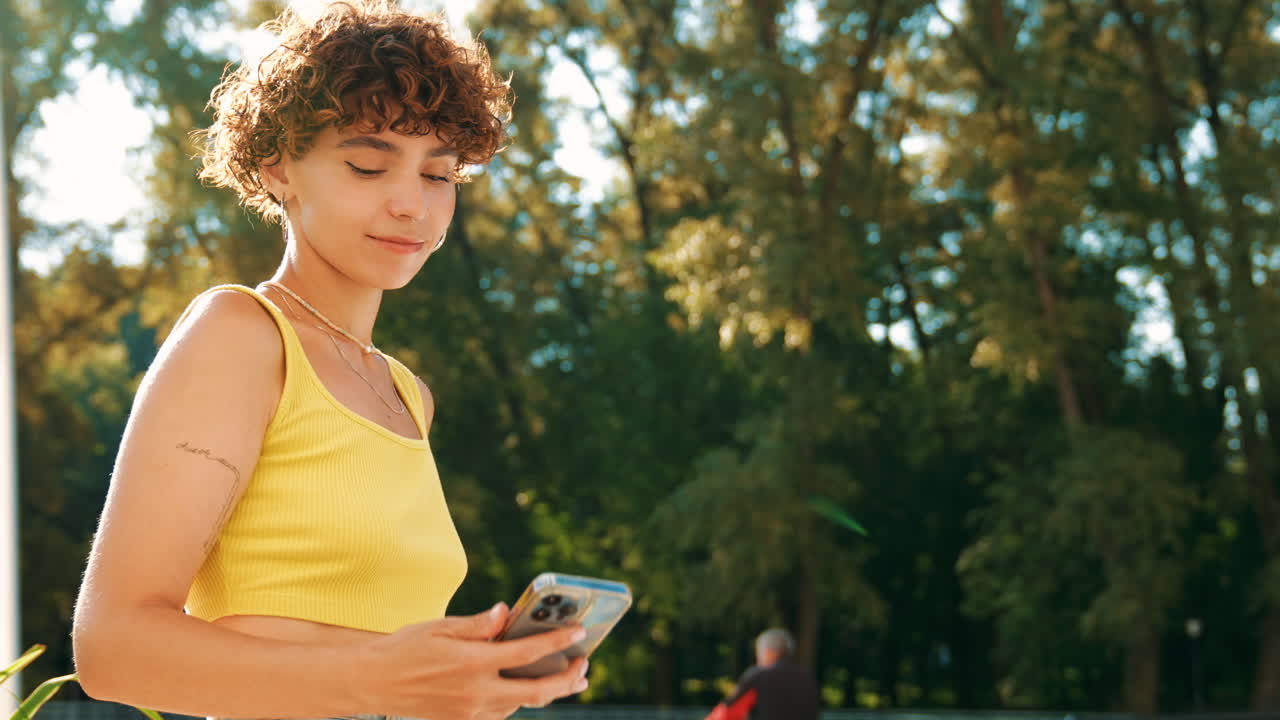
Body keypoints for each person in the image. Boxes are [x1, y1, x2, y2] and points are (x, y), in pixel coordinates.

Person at [69, 2, 590, 719]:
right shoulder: (241, 336)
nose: (412, 204)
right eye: (368, 165)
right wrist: (382, 677)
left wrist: (470, 681)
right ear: (277, 166)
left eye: (439, 176)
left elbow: (375, 667)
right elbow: (112, 650)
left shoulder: (409, 395)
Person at [709, 629, 820, 720]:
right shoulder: (808, 679)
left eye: (758, 652)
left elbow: (726, 714)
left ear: (769, 651)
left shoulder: (759, 677)